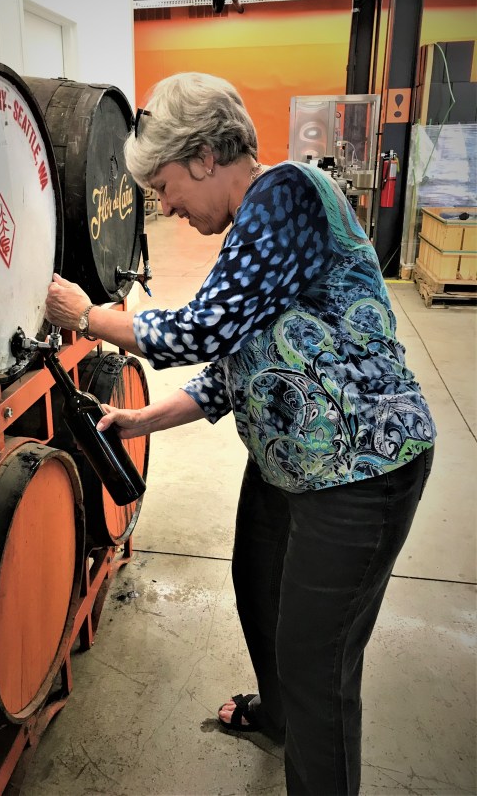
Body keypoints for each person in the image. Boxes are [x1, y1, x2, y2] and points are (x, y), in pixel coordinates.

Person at [45, 72, 436, 795]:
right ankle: (279, 715)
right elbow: (232, 368)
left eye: (164, 187)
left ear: (203, 157)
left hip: (361, 468)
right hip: (291, 460)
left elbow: (199, 330)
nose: (165, 206)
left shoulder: (283, 193)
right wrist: (141, 418)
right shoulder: (258, 232)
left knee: (317, 660)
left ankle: (308, 742)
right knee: (257, 588)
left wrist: (88, 316)